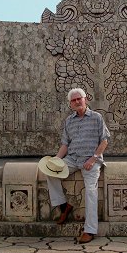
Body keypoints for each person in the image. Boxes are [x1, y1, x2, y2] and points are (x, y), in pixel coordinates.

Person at [42, 88, 110, 244]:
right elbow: (65, 144)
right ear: (70, 104)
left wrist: (93, 159)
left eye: (79, 98)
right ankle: (64, 206)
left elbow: (104, 141)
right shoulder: (69, 121)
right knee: (50, 171)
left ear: (86, 99)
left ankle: (90, 230)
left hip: (90, 160)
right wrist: (56, 160)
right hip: (72, 159)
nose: (77, 102)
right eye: (74, 100)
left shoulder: (96, 117)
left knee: (91, 191)